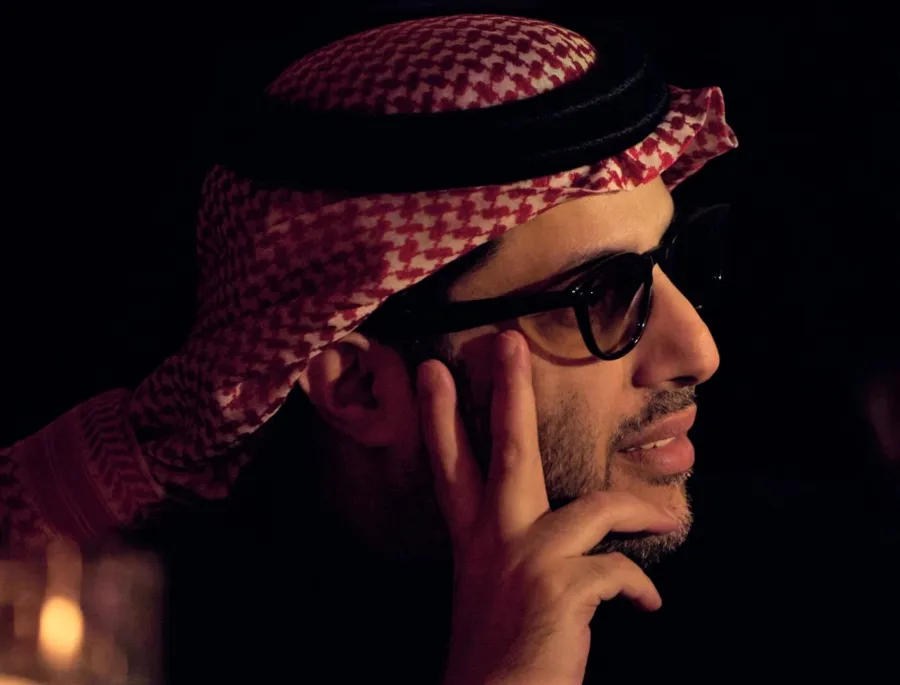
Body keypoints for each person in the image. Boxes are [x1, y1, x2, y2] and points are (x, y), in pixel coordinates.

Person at [0, 12, 737, 683]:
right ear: (360, 387)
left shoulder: (768, 586)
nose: (699, 352)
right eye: (599, 295)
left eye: (671, 261)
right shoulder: (118, 638)